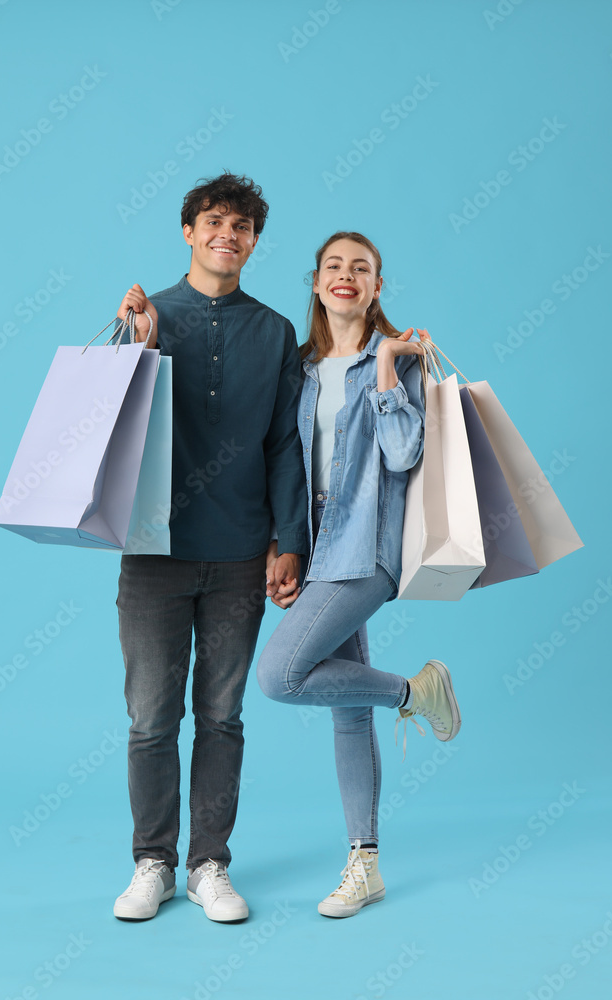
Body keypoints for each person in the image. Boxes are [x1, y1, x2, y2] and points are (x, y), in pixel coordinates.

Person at [111, 172, 308, 923]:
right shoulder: (146, 316)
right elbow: (120, 425)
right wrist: (142, 345)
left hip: (237, 554)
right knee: (150, 718)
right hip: (152, 552)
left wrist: (289, 539)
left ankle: (208, 865)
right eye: (215, 221)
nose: (229, 234)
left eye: (244, 226)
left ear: (254, 244)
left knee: (220, 716)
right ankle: (152, 862)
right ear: (189, 231)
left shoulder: (275, 332)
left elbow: (286, 443)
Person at [256, 231, 461, 918]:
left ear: (377, 285)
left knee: (279, 677)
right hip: (314, 552)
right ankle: (363, 863)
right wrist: (282, 546)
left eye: (361, 269)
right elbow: (286, 461)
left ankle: (415, 689)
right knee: (346, 712)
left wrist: (383, 373)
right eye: (335, 267)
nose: (346, 276)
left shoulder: (398, 356)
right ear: (316, 281)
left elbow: (403, 455)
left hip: (365, 549)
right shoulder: (303, 367)